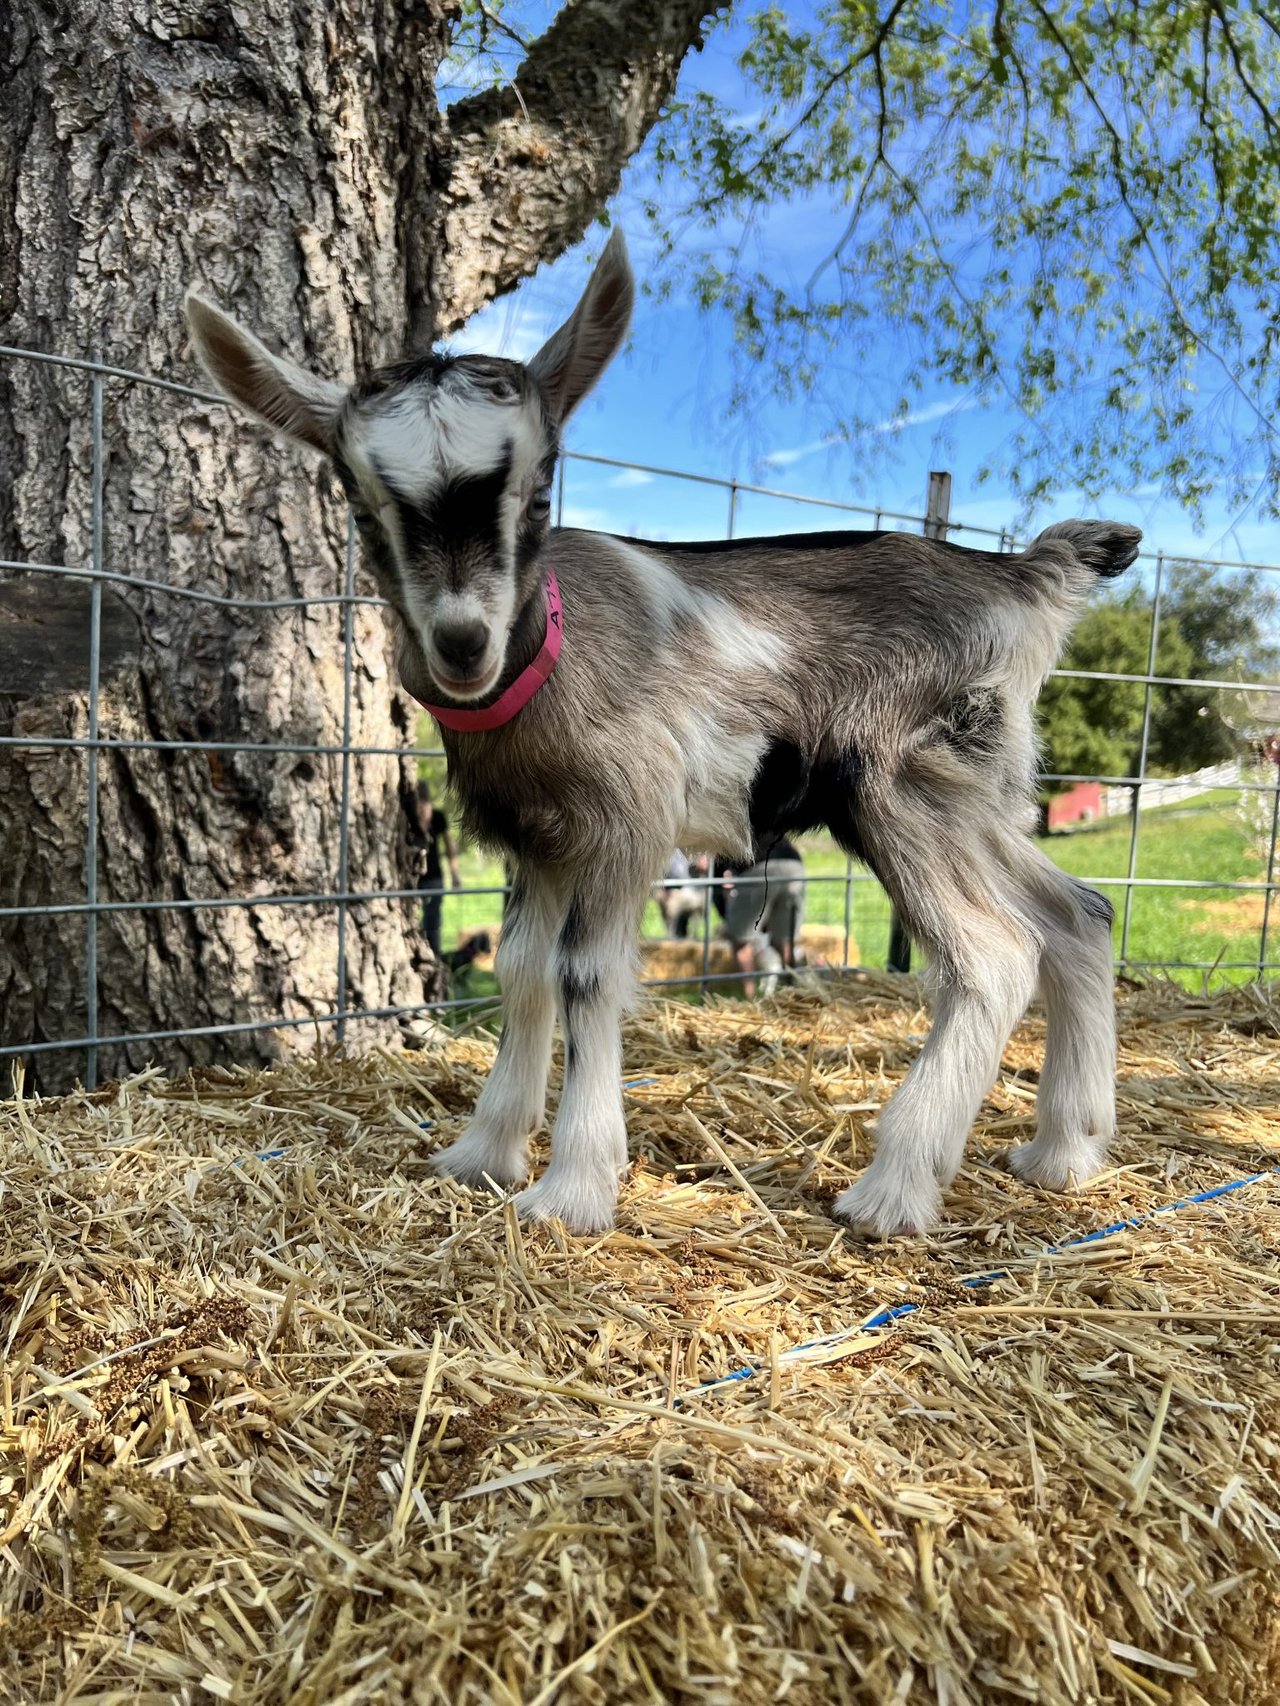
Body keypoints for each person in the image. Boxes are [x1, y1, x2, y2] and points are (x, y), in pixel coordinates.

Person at [723, 836, 806, 998]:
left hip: (759, 866)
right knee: (785, 941)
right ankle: (795, 994)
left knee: (741, 943)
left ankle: (749, 998)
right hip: (794, 864)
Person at [409, 780, 461, 959]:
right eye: (419, 807)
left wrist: (455, 874)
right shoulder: (409, 820)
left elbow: (450, 847)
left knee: (433, 920)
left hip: (434, 878)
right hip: (412, 879)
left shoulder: (438, 818)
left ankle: (434, 954)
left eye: (425, 807)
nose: (422, 812)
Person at [657, 849, 703, 939]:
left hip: (692, 890)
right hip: (674, 889)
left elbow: (702, 866)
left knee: (674, 903)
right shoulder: (670, 852)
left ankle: (675, 934)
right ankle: (671, 934)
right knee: (662, 897)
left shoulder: (693, 848)